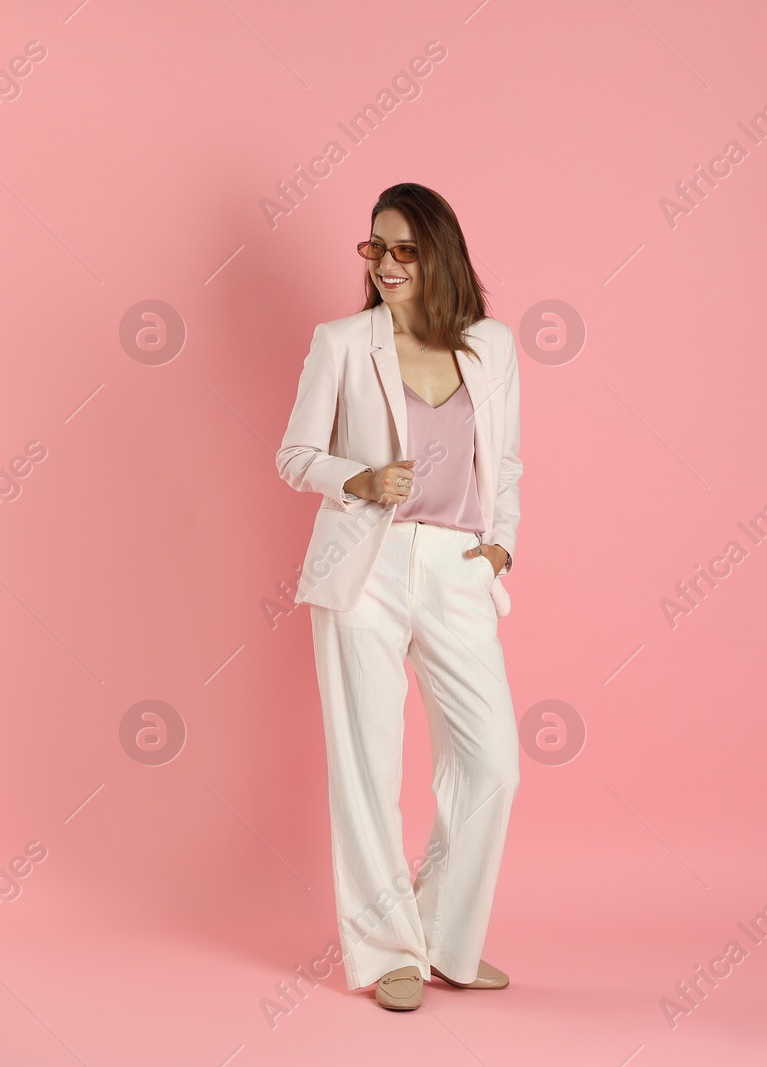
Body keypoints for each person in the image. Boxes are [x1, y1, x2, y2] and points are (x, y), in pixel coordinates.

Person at [275, 182, 524, 1011]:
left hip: (456, 567)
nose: (385, 264)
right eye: (374, 248)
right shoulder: (343, 343)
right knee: (368, 766)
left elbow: (509, 463)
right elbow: (295, 453)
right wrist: (360, 477)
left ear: (440, 253)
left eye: (405, 250)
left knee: (491, 762)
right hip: (364, 567)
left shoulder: (492, 347)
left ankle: (447, 937)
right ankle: (388, 951)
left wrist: (497, 551)